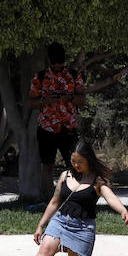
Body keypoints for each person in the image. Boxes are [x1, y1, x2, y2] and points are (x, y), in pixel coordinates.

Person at [17, 140, 128, 256]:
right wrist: (41, 225)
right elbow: (54, 202)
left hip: (83, 228)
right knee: (45, 249)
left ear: (89, 160)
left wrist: (122, 210)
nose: (76, 165)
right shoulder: (65, 175)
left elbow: (111, 198)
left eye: (80, 162)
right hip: (60, 221)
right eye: (73, 161)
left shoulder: (98, 181)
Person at [29, 42, 86, 198]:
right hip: (46, 128)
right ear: (49, 62)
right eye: (55, 67)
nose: (58, 70)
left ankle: (73, 198)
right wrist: (44, 101)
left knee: (74, 165)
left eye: (61, 67)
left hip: (68, 127)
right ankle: (48, 198)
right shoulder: (40, 77)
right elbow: (31, 102)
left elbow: (83, 99)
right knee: (47, 165)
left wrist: (70, 98)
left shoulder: (74, 75)